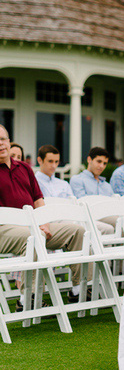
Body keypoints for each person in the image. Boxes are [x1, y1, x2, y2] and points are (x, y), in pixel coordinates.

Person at [0, 125, 87, 307]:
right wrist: (31, 226)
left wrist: (44, 223)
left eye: (3, 139)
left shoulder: (24, 168)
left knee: (77, 231)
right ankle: (27, 299)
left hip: (35, 225)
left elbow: (38, 199)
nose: (1, 144)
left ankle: (78, 289)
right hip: (5, 230)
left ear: (9, 141)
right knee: (33, 237)